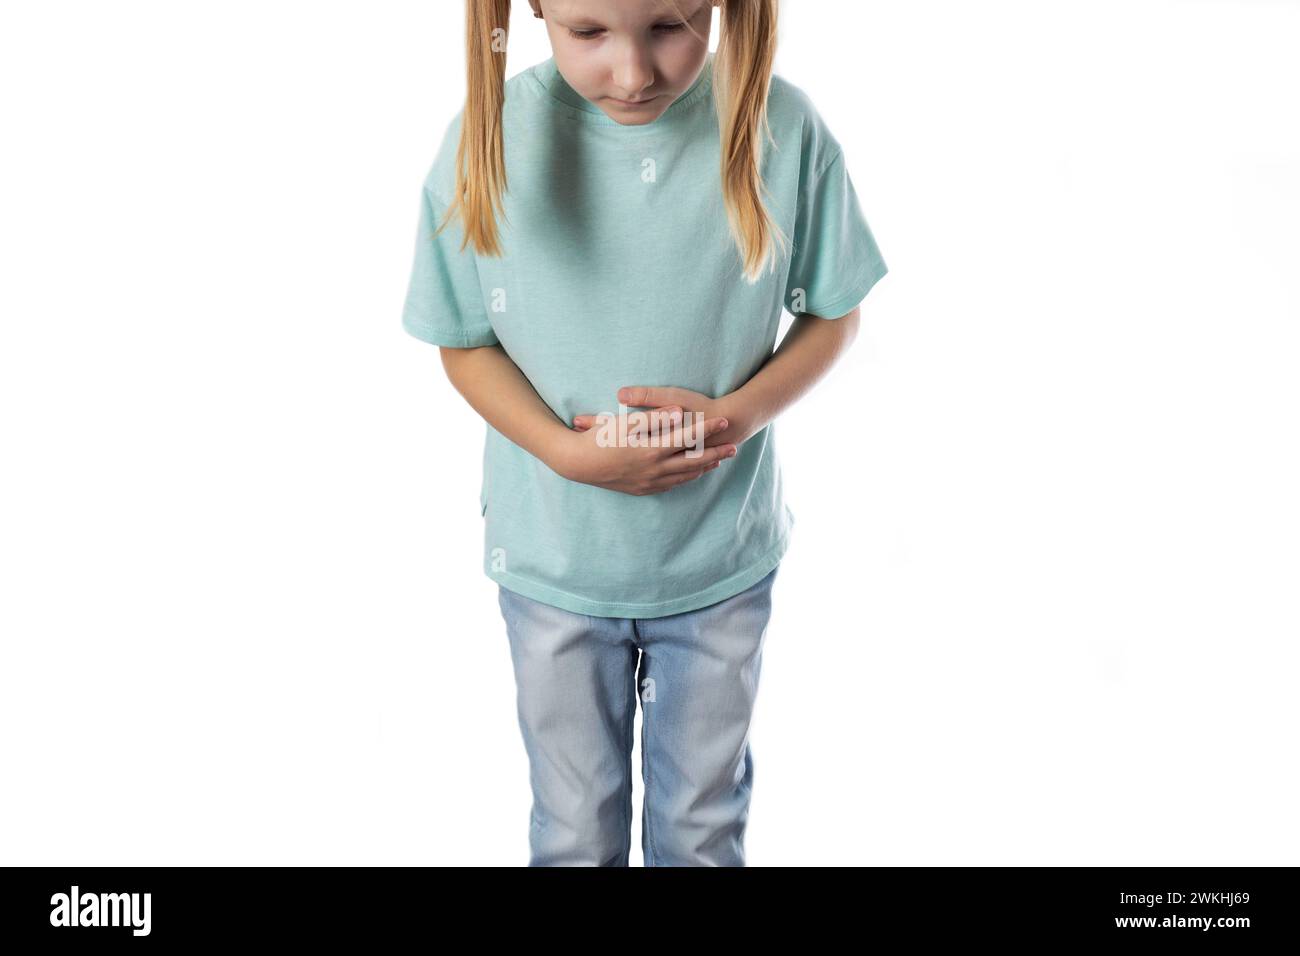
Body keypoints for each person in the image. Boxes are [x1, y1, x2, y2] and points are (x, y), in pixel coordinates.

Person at [402, 0, 888, 866]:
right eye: (589, 33)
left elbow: (834, 314)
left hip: (716, 564)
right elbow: (464, 341)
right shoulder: (489, 139)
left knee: (701, 828)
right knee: (574, 829)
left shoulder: (785, 127)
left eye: (672, 25)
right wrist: (560, 451)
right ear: (536, 8)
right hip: (555, 565)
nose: (633, 74)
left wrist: (737, 415)